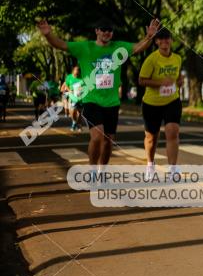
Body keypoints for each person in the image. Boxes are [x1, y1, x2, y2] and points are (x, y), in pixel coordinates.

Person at [37, 17, 160, 168]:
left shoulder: (118, 47)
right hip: (91, 100)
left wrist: (149, 36)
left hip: (112, 102)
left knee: (108, 141)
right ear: (97, 31)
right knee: (97, 137)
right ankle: (93, 169)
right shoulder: (85, 48)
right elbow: (61, 44)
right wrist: (48, 34)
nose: (106, 33)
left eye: (109, 30)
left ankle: (102, 170)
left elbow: (138, 47)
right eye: (103, 29)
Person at [138, 27, 184, 180]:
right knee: (151, 137)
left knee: (172, 131)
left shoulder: (177, 58)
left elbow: (177, 79)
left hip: (172, 100)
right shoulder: (152, 59)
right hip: (152, 103)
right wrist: (159, 83)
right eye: (161, 39)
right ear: (156, 42)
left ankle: (173, 169)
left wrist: (180, 81)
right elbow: (141, 80)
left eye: (167, 38)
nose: (164, 41)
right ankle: (150, 165)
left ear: (171, 40)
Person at [61, 65, 85, 131]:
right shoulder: (69, 77)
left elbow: (85, 86)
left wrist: (82, 90)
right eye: (76, 70)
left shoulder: (82, 77)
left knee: (79, 113)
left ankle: (79, 125)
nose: (77, 71)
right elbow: (66, 84)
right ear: (73, 71)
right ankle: (74, 121)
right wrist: (69, 90)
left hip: (80, 98)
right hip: (72, 97)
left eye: (78, 70)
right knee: (72, 112)